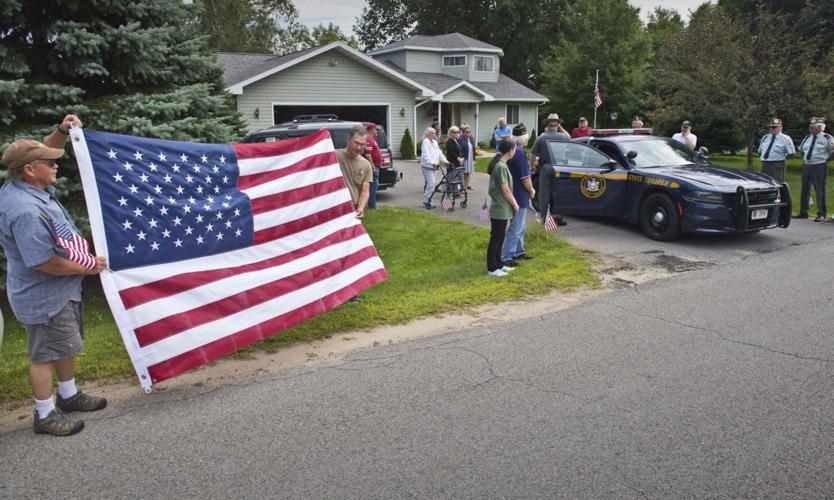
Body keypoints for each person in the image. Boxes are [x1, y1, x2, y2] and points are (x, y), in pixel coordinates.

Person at [0, 115, 108, 436]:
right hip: (43, 294)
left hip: (59, 290)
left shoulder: (22, 183)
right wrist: (89, 266)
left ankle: (69, 394)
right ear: (30, 170)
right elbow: (43, 261)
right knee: (44, 354)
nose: (56, 166)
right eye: (48, 164)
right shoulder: (25, 211)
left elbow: (44, 151)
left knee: (63, 345)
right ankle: (45, 415)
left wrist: (61, 132)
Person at [501, 124, 536, 266]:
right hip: (519, 194)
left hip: (513, 192)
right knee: (516, 227)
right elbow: (525, 178)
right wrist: (532, 190)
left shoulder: (512, 151)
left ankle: (518, 251)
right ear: (524, 138)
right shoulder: (520, 153)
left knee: (521, 225)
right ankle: (507, 256)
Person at [486, 140, 519, 277]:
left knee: (500, 237)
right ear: (510, 150)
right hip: (500, 208)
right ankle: (492, 268)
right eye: (514, 149)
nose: (515, 151)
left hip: (503, 208)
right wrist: (515, 204)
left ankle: (499, 264)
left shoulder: (502, 164)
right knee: (496, 238)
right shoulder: (500, 166)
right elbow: (505, 190)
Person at [530, 113, 569, 225]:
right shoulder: (563, 137)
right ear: (558, 124)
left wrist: (531, 166)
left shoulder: (541, 137)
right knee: (558, 193)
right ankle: (559, 218)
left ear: (547, 124)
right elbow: (570, 137)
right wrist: (560, 127)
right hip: (560, 168)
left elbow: (533, 155)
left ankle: (544, 219)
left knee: (544, 194)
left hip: (546, 167)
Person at [796, 117, 834, 221]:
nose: (811, 129)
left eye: (813, 127)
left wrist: (825, 160)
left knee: (819, 189)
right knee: (805, 189)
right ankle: (803, 212)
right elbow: (802, 150)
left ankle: (821, 213)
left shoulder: (827, 138)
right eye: (810, 127)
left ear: (820, 127)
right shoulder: (808, 137)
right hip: (806, 165)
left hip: (819, 166)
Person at [335, 125, 372, 219]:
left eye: (362, 144)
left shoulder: (366, 164)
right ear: (349, 139)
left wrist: (360, 208)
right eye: (356, 143)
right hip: (334, 207)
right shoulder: (334, 156)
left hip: (353, 210)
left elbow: (365, 191)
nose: (359, 147)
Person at [758, 118, 795, 183]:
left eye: (774, 127)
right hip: (765, 164)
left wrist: (782, 158)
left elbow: (791, 153)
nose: (772, 129)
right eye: (771, 127)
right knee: (763, 182)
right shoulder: (765, 137)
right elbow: (760, 151)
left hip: (777, 165)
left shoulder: (785, 138)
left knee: (776, 183)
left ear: (780, 127)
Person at [420, 127, 444, 209]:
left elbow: (439, 153)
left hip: (434, 167)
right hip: (427, 166)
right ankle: (426, 200)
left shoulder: (434, 142)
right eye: (432, 133)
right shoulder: (425, 142)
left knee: (432, 185)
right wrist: (431, 163)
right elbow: (425, 154)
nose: (434, 134)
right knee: (431, 184)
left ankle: (428, 199)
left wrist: (446, 161)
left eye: (434, 133)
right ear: (427, 134)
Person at [364, 123, 383, 209]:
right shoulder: (368, 139)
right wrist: (373, 166)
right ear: (371, 130)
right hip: (373, 167)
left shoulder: (372, 139)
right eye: (376, 129)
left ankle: (371, 204)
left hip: (377, 165)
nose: (377, 131)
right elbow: (368, 154)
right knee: (373, 186)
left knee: (374, 185)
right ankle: (372, 205)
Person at [461, 124, 477, 190]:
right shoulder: (461, 139)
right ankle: (462, 187)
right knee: (464, 173)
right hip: (465, 158)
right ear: (463, 132)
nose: (468, 133)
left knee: (468, 173)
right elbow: (461, 150)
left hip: (470, 158)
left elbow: (473, 150)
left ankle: (466, 187)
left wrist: (474, 159)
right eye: (466, 131)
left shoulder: (471, 139)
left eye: (469, 131)